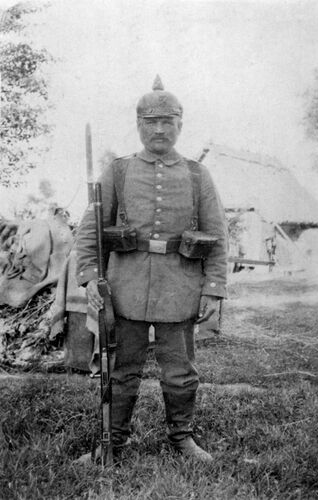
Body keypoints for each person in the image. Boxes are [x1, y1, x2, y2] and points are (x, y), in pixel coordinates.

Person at [75, 76, 228, 463]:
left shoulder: (197, 175)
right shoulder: (119, 171)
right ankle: (112, 442)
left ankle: (182, 438)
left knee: (179, 371)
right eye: (150, 122)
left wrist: (212, 288)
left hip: (180, 286)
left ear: (180, 125)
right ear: (139, 125)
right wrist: (92, 276)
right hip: (125, 287)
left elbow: (217, 233)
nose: (159, 129)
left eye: (167, 121)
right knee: (121, 371)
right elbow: (90, 230)